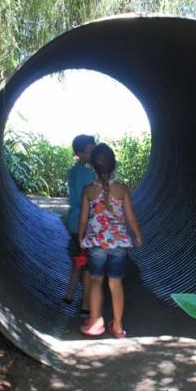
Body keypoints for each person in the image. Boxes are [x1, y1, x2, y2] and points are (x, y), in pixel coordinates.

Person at [78, 143, 143, 338]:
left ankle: (95, 322)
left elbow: (83, 218)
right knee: (116, 283)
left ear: (93, 167)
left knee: (96, 279)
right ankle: (118, 327)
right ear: (114, 164)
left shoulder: (88, 190)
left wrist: (81, 238)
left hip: (96, 243)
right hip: (118, 244)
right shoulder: (122, 189)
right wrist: (137, 234)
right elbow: (130, 216)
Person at [63, 134, 97, 314]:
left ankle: (68, 295)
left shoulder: (74, 171)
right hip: (86, 224)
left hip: (75, 223)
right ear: (79, 153)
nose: (93, 154)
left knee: (79, 260)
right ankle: (85, 305)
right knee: (88, 266)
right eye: (90, 151)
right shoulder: (88, 174)